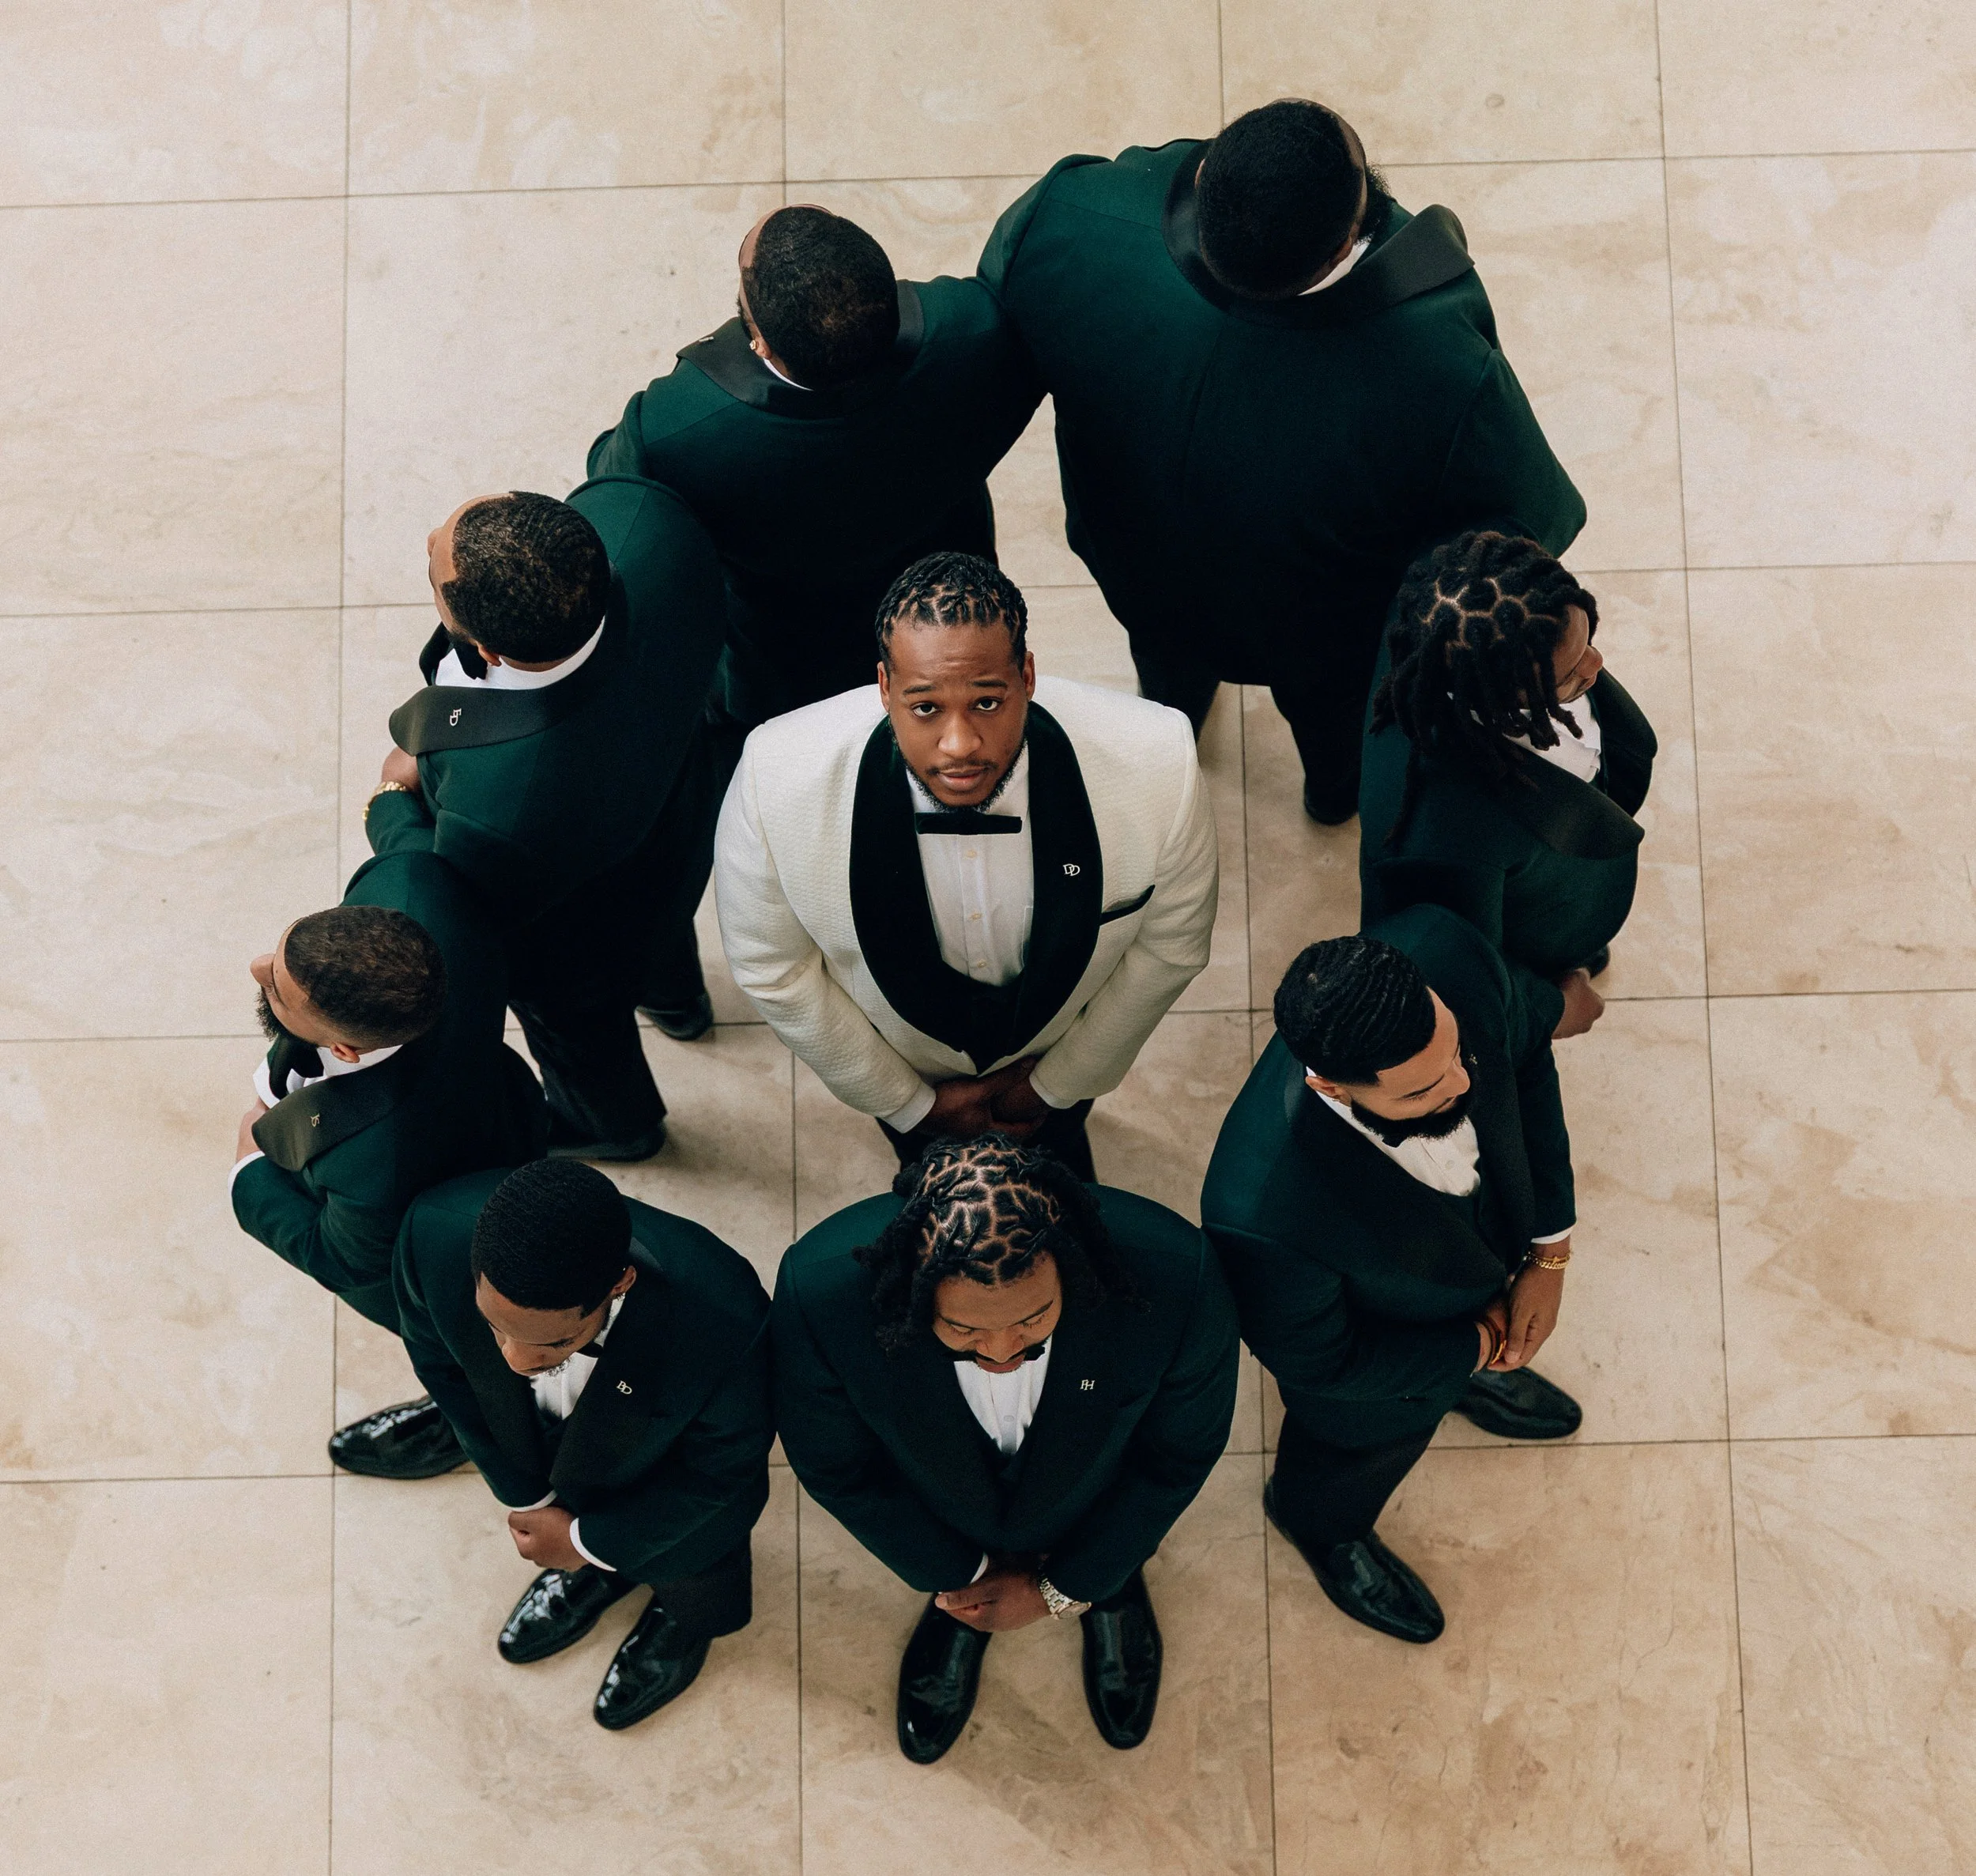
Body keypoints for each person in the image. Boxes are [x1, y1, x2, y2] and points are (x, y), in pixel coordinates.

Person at [978, 96, 1584, 822]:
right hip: (1322, 633)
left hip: (1141, 572)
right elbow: (1524, 521)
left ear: (1204, 173)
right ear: (1337, 250)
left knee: (1166, 668)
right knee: (1338, 734)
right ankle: (1331, 798)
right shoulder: (1439, 364)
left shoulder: (1068, 217)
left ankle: (1173, 723)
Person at [714, 551, 1217, 1181]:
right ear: (884, 689)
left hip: (1058, 1075)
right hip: (906, 1076)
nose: (959, 745)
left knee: (1067, 1180)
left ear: (1027, 676)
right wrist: (908, 1102)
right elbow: (770, 967)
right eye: (925, 707)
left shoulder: (1159, 759)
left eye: (986, 702)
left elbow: (1172, 949)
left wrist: (1053, 1087)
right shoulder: (772, 775)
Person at [771, 1137, 1239, 1763]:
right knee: (962, 1583)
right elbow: (838, 1467)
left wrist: (1067, 1585)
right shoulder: (818, 1293)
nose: (999, 1353)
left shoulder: (1180, 1276)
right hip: (948, 1515)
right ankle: (961, 1612)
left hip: (1096, 1499)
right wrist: (963, 1578)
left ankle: (1111, 1589)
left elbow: (1180, 1454)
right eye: (964, 1328)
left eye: (1033, 1318)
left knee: (1108, 1561)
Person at [1200, 908, 1586, 1644]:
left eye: (1455, 1053)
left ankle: (1470, 1374)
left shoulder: (1450, 953)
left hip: (1483, 1263)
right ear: (1333, 1088)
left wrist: (1548, 1250)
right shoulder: (1261, 1213)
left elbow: (1527, 1055)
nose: (1463, 1082)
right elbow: (1324, 1361)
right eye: (1419, 1093)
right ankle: (1322, 1526)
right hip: (1377, 1375)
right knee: (1352, 1447)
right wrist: (1468, 1349)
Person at [367, 481, 725, 1160]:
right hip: (676, 819)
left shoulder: (501, 805)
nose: (427, 544)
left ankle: (618, 1128)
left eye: (433, 568)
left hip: (576, 934)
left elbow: (458, 894)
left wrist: (388, 800)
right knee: (662, 931)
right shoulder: (651, 525)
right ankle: (682, 1005)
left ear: (493, 653)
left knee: (582, 1030)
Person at [588, 204, 1042, 731]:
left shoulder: (676, 427)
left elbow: (614, 492)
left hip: (786, 662)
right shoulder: (978, 332)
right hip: (951, 605)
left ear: (758, 342)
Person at [394, 1158, 773, 1731]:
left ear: (620, 1281)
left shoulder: (725, 1317)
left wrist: (587, 1539)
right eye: (497, 1328)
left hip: (672, 1498)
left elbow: (719, 1473)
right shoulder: (433, 1230)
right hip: (549, 1457)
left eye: (555, 1341)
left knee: (695, 1571)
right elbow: (439, 1362)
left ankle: (681, 1620)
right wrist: (533, 1497)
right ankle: (594, 1572)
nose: (516, 1361)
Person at [231, 854, 547, 1478]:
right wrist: (391, 799)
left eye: (278, 990)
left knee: (470, 1351)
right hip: (504, 1105)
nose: (259, 968)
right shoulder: (410, 882)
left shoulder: (378, 1157)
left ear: (345, 1049)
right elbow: (408, 849)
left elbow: (348, 1257)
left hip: (438, 1218)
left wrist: (249, 1171)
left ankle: (474, 1419)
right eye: (281, 954)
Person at [1359, 530, 1656, 1002]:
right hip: (1540, 928)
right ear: (1497, 696)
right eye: (1572, 667)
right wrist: (1553, 1005)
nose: (1597, 663)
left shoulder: (1514, 626)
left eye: (1587, 639)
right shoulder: (1444, 835)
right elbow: (1460, 964)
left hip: (1575, 886)